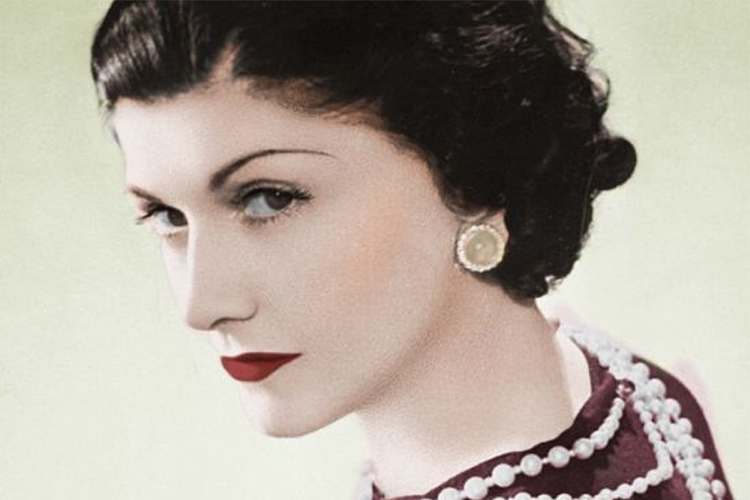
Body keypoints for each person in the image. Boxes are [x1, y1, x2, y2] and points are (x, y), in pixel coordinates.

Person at [90, 2, 733, 499]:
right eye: (166, 215)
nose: (200, 305)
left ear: (476, 178)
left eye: (269, 199)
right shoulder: (630, 392)